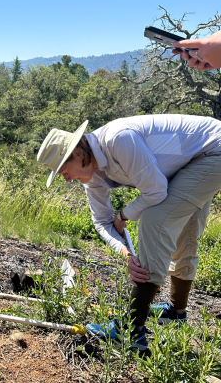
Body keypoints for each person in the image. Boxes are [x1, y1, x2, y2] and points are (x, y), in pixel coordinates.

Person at [38, 114, 221, 351]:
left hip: (213, 149)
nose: (66, 179)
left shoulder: (118, 140)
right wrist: (127, 253)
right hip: (193, 160)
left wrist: (123, 215)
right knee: (184, 227)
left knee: (156, 218)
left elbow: (155, 191)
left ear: (78, 154)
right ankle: (176, 312)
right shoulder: (92, 177)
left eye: (63, 170)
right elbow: (101, 222)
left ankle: (131, 331)